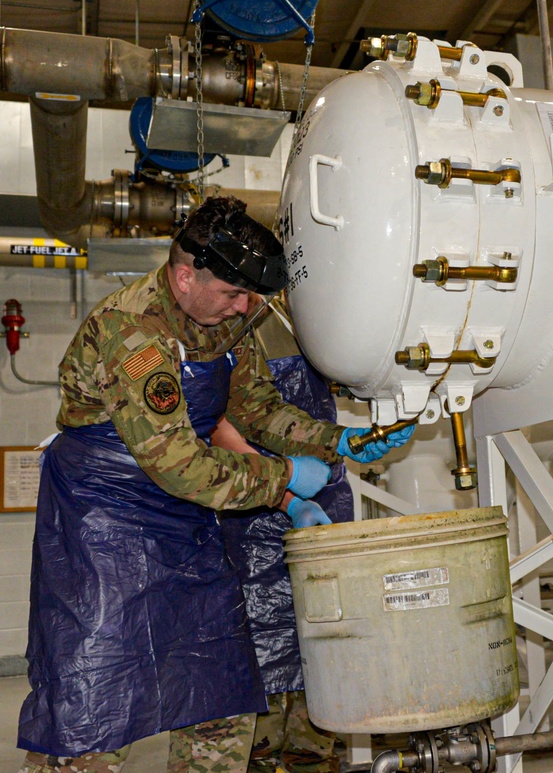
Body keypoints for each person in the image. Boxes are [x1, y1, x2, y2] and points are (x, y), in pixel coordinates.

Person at [16, 195, 413, 773]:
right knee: (94, 705)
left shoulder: (228, 322)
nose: (243, 306)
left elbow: (256, 411)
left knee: (221, 692)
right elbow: (178, 464)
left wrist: (337, 441)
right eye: (232, 293)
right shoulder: (134, 335)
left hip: (186, 524)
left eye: (248, 295)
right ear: (183, 277)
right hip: (106, 531)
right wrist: (282, 481)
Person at [214, 295, 354, 773]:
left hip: (320, 483)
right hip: (252, 494)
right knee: (259, 629)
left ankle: (314, 749)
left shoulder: (313, 316)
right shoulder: (224, 323)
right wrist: (284, 488)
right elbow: (217, 423)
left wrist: (345, 444)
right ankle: (262, 745)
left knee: (327, 625)